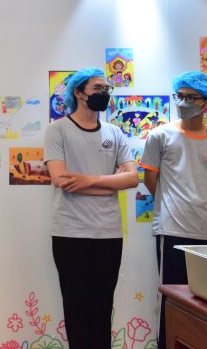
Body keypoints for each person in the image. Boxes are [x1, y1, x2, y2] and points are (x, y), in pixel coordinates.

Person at [44, 68, 138, 349]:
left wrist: (88, 180)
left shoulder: (114, 132)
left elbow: (132, 179)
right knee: (76, 309)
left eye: (106, 89)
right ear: (78, 92)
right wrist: (111, 183)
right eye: (97, 88)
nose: (103, 93)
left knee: (102, 308)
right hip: (69, 233)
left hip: (109, 234)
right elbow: (61, 180)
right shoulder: (58, 130)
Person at [141, 71, 207, 349]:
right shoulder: (160, 135)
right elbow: (150, 179)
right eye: (180, 96)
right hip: (172, 229)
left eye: (192, 97)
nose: (184, 102)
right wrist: (172, 202)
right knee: (171, 300)